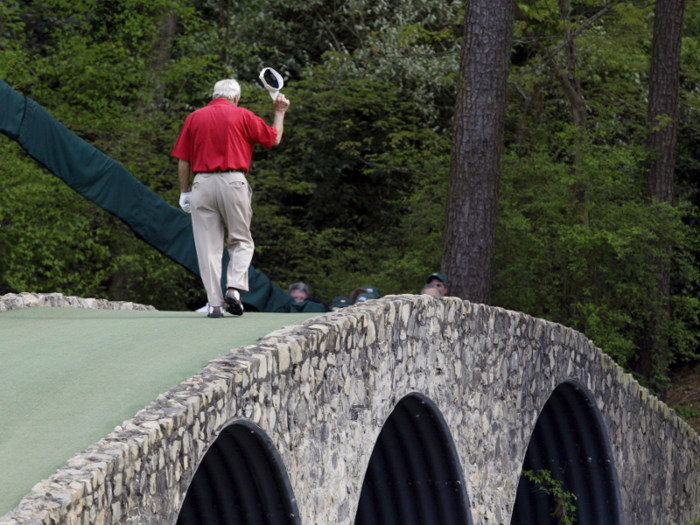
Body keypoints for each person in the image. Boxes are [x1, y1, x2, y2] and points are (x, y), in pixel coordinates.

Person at [172, 78, 290, 318]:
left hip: (202, 184)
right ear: (236, 98)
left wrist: (185, 192)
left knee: (207, 247)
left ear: (214, 95)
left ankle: (215, 305)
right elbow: (273, 138)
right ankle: (234, 289)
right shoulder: (243, 115)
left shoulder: (194, 117)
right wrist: (279, 112)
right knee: (241, 240)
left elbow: (183, 159)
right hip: (233, 181)